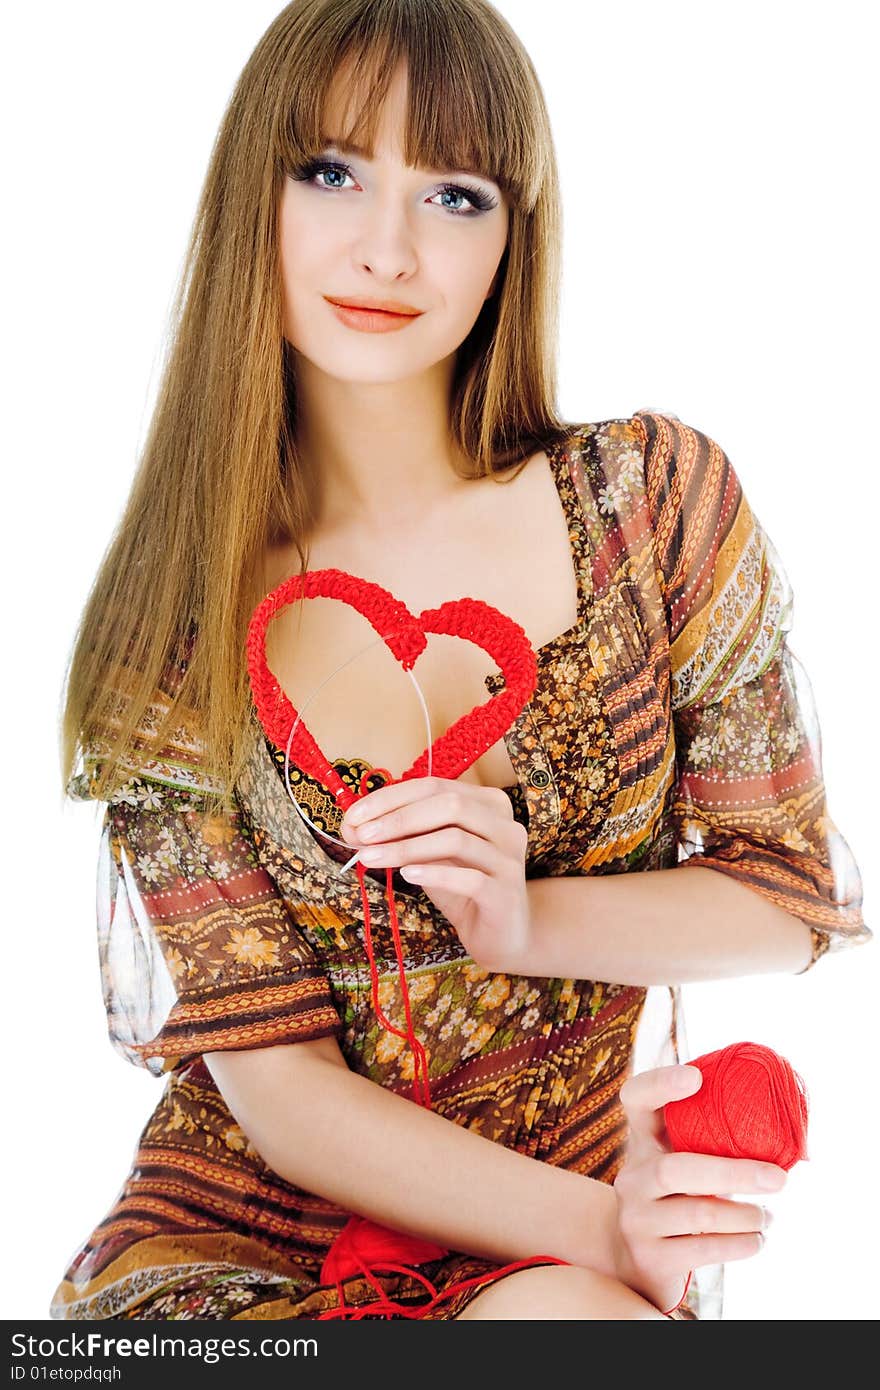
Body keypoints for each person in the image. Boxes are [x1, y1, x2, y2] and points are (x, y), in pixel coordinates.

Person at [50, 0, 869, 1322]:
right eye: (330, 173)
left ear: (514, 232)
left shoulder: (650, 507)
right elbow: (286, 1091)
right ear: (249, 195)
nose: (387, 247)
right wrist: (608, 1228)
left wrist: (529, 917)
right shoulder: (174, 630)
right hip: (246, 1255)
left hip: (565, 1234)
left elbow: (786, 891)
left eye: (455, 192)